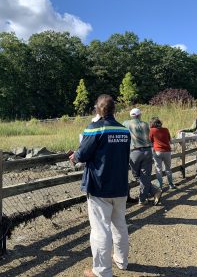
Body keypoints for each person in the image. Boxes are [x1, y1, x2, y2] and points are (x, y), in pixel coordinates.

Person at [69, 94, 130, 277]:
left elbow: (83, 154)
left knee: (100, 229)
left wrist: (75, 156)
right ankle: (122, 260)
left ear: (97, 108)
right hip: (120, 184)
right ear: (114, 110)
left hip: (99, 186)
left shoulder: (94, 128)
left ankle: (102, 271)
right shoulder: (124, 130)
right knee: (120, 224)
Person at [123, 108, 162, 206]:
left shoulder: (126, 123)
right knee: (145, 176)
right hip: (148, 151)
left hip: (135, 152)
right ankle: (147, 196)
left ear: (131, 115)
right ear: (139, 115)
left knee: (137, 176)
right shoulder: (145, 124)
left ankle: (149, 195)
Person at [149, 117, 176, 189]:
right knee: (168, 168)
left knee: (158, 169)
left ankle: (160, 186)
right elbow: (169, 139)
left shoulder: (152, 130)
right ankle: (171, 184)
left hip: (157, 151)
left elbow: (150, 140)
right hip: (167, 151)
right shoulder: (165, 129)